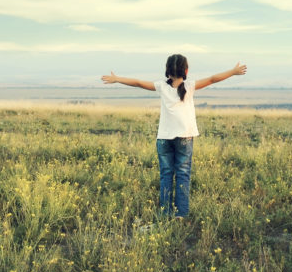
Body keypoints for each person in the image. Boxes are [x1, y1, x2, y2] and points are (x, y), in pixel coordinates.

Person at [101, 54, 247, 218]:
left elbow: (138, 83)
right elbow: (213, 79)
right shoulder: (190, 85)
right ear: (186, 70)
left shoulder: (162, 86)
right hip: (185, 138)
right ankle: (181, 215)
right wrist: (233, 72)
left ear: (167, 70)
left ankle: (165, 214)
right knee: (183, 175)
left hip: (163, 139)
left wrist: (117, 78)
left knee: (166, 176)